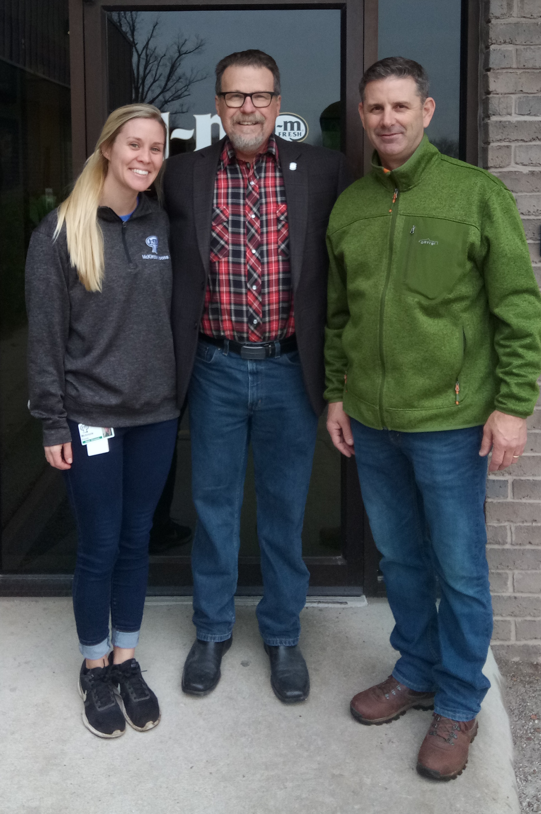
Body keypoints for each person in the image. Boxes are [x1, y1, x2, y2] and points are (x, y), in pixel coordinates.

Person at [325, 57, 541, 779]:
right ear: (361, 116)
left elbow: (517, 304)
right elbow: (337, 316)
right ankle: (414, 670)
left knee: (459, 566)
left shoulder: (474, 194)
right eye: (374, 108)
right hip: (373, 421)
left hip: (450, 422)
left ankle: (456, 702)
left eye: (400, 106)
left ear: (426, 110)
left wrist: (512, 405)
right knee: (399, 559)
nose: (387, 119)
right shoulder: (351, 205)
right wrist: (336, 391)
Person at [164, 49, 352, 703]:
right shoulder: (182, 173)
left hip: (287, 367)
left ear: (277, 103)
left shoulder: (324, 171)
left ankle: (280, 633)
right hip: (214, 365)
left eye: (260, 95)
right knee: (212, 506)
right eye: (235, 95)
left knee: (282, 508)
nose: (247, 106)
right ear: (218, 105)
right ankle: (212, 630)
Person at [25, 104, 180, 739]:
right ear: (109, 149)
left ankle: (126, 656)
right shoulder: (60, 232)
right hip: (90, 416)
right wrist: (53, 423)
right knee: (99, 545)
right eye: (134, 145)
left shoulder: (159, 222)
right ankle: (95, 666)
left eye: (156, 149)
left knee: (137, 538)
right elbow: (45, 341)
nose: (145, 158)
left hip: (156, 415)